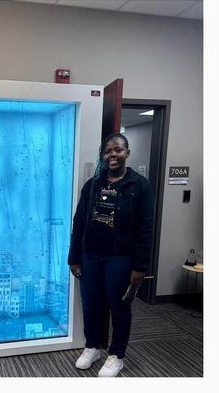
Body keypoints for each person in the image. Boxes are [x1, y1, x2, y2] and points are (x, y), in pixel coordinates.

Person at [68, 133, 153, 377]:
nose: (112, 155)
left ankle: (117, 355)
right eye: (107, 151)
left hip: (121, 257)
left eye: (117, 150)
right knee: (91, 304)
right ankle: (92, 345)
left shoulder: (139, 186)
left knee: (119, 306)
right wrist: (74, 257)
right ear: (102, 155)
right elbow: (79, 222)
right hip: (91, 255)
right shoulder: (93, 185)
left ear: (127, 153)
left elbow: (146, 228)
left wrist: (140, 267)